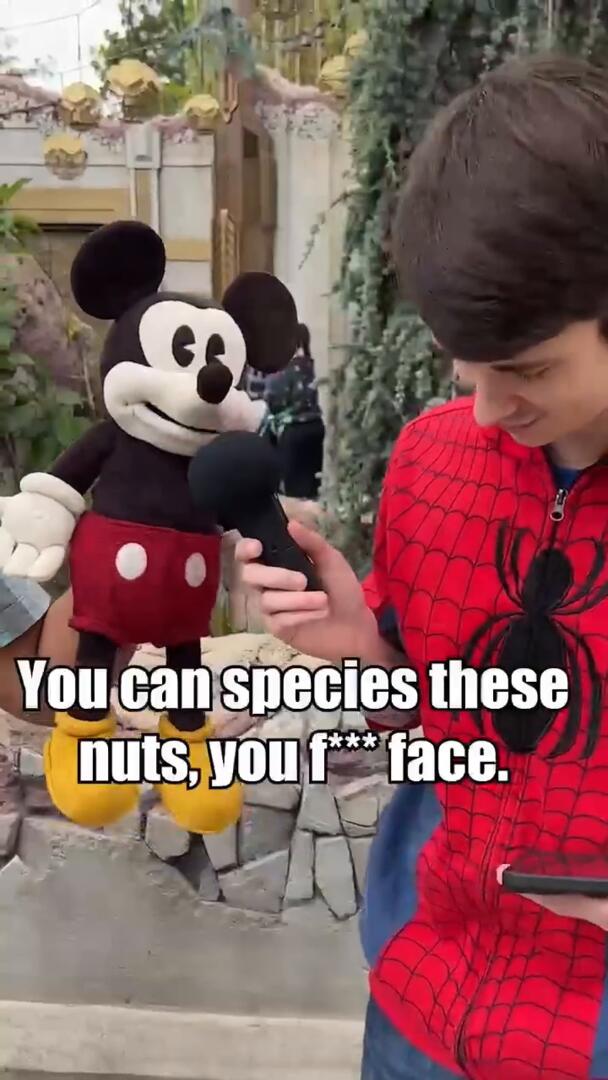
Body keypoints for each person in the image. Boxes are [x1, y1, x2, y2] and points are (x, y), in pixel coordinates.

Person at [235, 53, 608, 1080]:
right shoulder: (431, 458)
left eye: (526, 370)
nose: (483, 409)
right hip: (421, 1006)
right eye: (461, 362)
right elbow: (431, 721)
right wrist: (361, 645)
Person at [264, 323, 325, 499]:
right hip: (315, 426)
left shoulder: (283, 368)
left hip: (294, 431)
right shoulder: (309, 364)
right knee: (312, 487)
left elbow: (272, 400)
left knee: (294, 490)